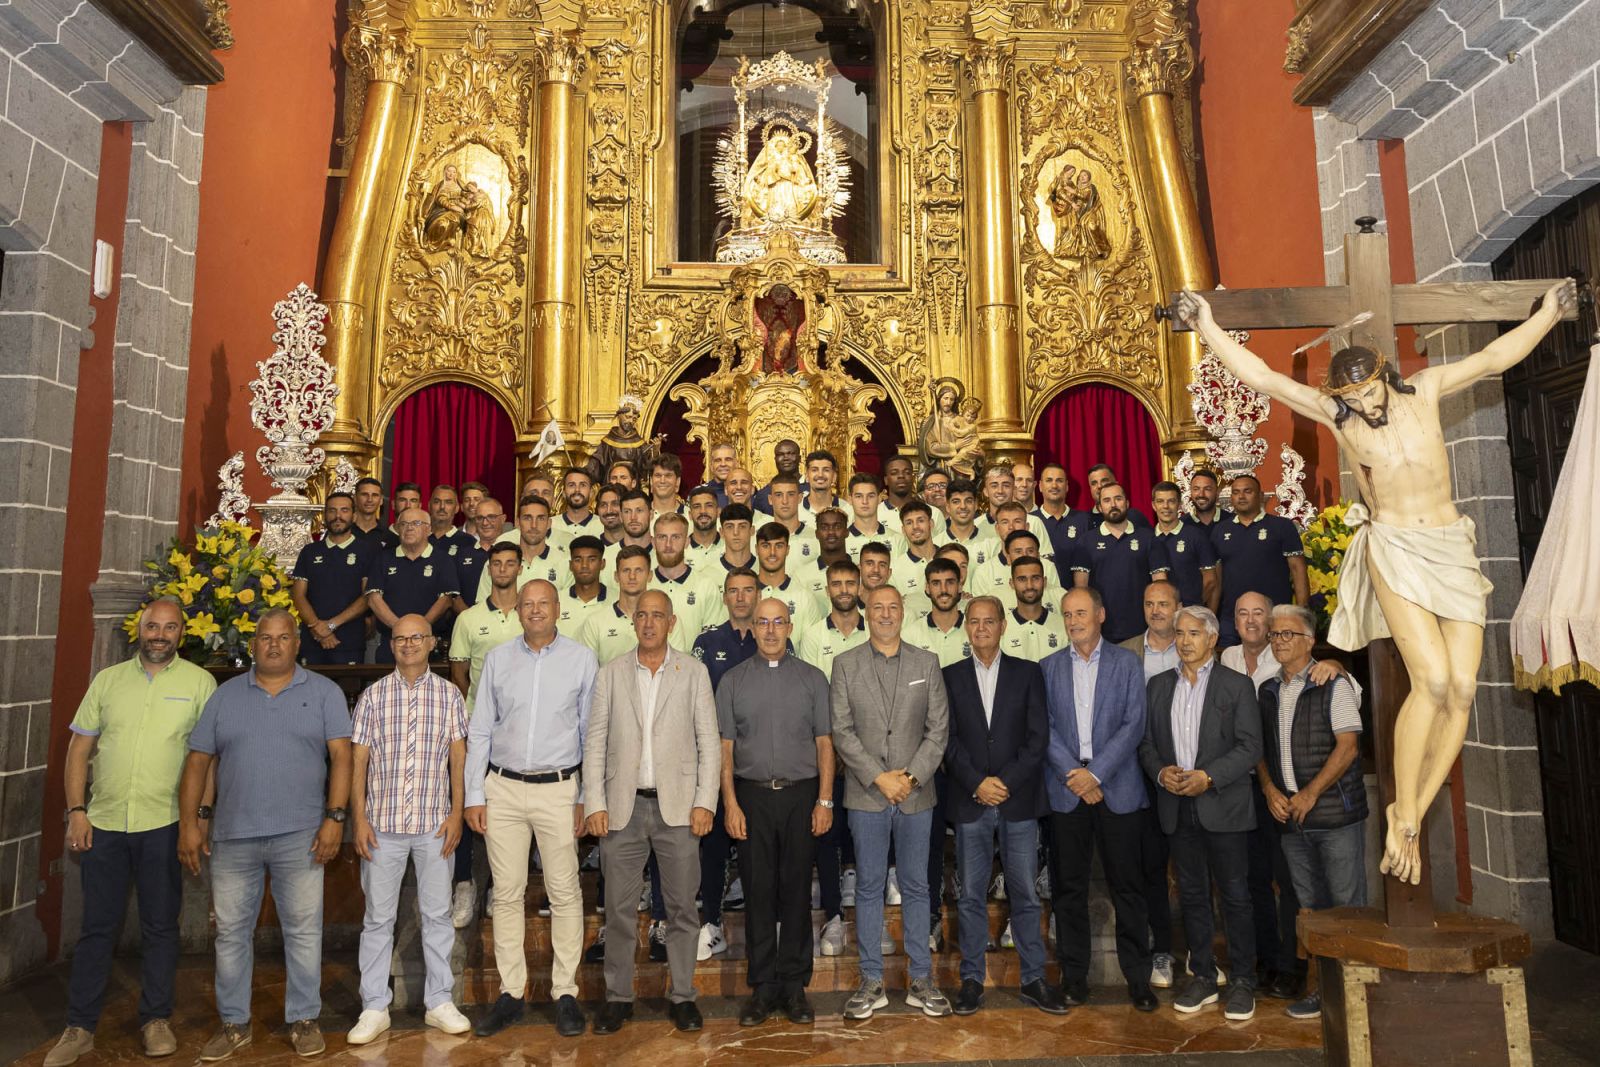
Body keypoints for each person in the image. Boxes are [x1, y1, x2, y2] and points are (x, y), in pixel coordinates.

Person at [46, 600, 216, 1067]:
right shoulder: (108, 680)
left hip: (165, 823)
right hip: (104, 823)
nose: (159, 634)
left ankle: (156, 1020)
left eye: (169, 627)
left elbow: (207, 759)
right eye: (152, 626)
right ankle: (80, 1027)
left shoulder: (200, 683)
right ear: (139, 630)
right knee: (97, 928)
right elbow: (79, 749)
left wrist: (198, 820)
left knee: (160, 927)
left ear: (182, 633)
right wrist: (76, 811)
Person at [178, 609, 351, 1060]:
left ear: (297, 644)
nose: (274, 645)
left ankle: (304, 1019)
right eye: (265, 638)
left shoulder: (325, 693)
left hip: (302, 835)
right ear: (253, 645)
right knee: (231, 934)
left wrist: (335, 818)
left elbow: (342, 757)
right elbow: (199, 761)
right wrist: (191, 823)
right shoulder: (225, 696)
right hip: (234, 835)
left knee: (303, 932)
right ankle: (234, 1024)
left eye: (283, 637)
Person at [583, 591, 720, 1035]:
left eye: (657, 616)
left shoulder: (694, 672)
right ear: (633, 621)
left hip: (678, 808)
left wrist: (705, 801)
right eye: (641, 615)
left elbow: (709, 742)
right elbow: (595, 743)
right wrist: (595, 802)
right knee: (619, 911)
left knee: (681, 910)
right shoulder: (611, 673)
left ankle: (683, 997)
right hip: (622, 810)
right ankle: (618, 998)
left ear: (671, 622)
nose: (648, 623)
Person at [465, 580, 595, 1039]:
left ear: (558, 609)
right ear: (517, 610)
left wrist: (587, 796)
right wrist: (474, 795)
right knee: (506, 893)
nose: (535, 610)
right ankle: (511, 993)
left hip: (559, 789)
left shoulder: (582, 659)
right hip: (502, 788)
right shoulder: (498, 659)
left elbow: (590, 733)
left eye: (543, 603)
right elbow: (481, 729)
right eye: (527, 604)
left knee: (565, 891)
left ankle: (565, 992)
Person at [346, 615, 471, 1044]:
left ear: (432, 643)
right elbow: (358, 762)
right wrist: (359, 819)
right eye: (400, 638)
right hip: (381, 827)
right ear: (391, 645)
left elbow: (458, 757)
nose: (408, 644)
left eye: (417, 637)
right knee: (378, 919)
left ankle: (439, 1001)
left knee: (437, 916)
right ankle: (373, 1006)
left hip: (435, 825)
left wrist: (456, 814)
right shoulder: (373, 696)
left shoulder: (449, 695)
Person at [831, 585, 952, 1020]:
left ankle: (921, 980)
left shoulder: (926, 663)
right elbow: (842, 730)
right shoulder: (845, 664)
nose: (885, 614)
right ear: (867, 612)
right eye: (878, 607)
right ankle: (871, 981)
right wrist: (880, 778)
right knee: (868, 886)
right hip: (867, 794)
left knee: (918, 886)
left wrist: (910, 777)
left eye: (893, 607)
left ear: (903, 612)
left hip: (917, 795)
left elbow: (938, 730)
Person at [1139, 605, 1262, 1022]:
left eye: (1194, 633)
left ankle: (1243, 980)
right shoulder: (1158, 686)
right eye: (1180, 633)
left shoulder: (1236, 685)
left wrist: (1208, 777)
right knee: (1191, 895)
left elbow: (1250, 746)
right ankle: (1204, 976)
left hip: (1223, 806)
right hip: (1177, 806)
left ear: (1212, 639)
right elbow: (1146, 743)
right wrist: (1161, 773)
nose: (1185, 641)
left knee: (1235, 896)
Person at [943, 597, 1062, 1017]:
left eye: (988, 621)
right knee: (971, 895)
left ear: (1002, 626)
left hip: (1018, 800)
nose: (981, 628)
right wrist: (977, 782)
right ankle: (972, 980)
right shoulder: (950, 676)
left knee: (1025, 894)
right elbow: (946, 739)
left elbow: (1037, 737)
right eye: (974, 622)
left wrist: (1005, 782)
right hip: (971, 799)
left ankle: (1033, 979)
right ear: (967, 628)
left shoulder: (1028, 673)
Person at [718, 598, 836, 1026]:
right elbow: (724, 749)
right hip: (751, 798)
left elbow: (825, 743)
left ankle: (794, 985)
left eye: (778, 622)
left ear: (790, 627)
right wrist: (730, 804)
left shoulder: (812, 678)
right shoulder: (732, 681)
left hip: (801, 796)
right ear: (752, 627)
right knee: (758, 892)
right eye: (763, 622)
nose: (770, 630)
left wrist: (824, 800)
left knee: (797, 891)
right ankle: (764, 986)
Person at [1042, 587, 1158, 1011]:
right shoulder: (1048, 667)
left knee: (1128, 888)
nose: (1073, 621)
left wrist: (1096, 774)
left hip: (1117, 788)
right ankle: (1074, 979)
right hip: (1067, 790)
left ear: (1101, 615)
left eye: (1081, 613)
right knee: (1068, 890)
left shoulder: (1127, 664)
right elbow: (1044, 727)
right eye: (1067, 614)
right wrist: (1076, 775)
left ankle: (1138, 980)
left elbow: (1134, 724)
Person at [1258, 604, 1368, 1022]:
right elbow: (1260, 750)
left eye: (1289, 634)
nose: (1280, 641)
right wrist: (1270, 789)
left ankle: (1356, 997)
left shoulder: (1332, 683)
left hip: (1334, 817)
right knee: (1310, 912)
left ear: (1310, 641)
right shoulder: (1268, 690)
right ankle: (1322, 991)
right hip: (1291, 820)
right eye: (1274, 634)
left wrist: (1310, 793)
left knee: (1346, 909)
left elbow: (1348, 747)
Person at [447, 542, 524, 928]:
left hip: (519, 729)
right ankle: (464, 882)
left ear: (520, 568)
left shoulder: (530, 615)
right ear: (489, 569)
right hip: (478, 728)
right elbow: (459, 671)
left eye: (510, 563)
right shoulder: (469, 618)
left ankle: (498, 884)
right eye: (497, 563)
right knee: (465, 800)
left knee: (508, 809)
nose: (503, 569)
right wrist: (476, 710)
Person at [793, 559, 865, 957]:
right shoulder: (812, 635)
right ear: (827, 588)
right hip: (827, 749)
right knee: (826, 831)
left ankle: (867, 910)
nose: (843, 589)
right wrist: (833, 746)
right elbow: (811, 695)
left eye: (849, 582)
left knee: (865, 830)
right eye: (836, 583)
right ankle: (834, 915)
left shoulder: (874, 630)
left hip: (870, 750)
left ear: (859, 586)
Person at [691, 568, 764, 960]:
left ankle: (762, 927)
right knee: (714, 846)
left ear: (758, 595)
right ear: (724, 597)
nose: (740, 597)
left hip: (760, 762)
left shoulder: (771, 638)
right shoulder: (707, 642)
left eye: (747, 590)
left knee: (758, 848)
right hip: (716, 760)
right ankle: (712, 924)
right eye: (733, 591)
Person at [1117, 580, 1182, 990]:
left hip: (1187, 773)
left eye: (1163, 603)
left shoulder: (1194, 645)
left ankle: (1193, 953)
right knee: (1147, 869)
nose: (1156, 610)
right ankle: (1156, 950)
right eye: (1149, 603)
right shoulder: (1124, 652)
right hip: (1136, 775)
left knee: (1192, 870)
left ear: (1178, 607)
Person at [1209, 474, 1308, 639]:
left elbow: (1298, 569)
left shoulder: (1282, 526)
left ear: (1261, 496)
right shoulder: (1220, 530)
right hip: (1232, 619)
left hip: (1275, 617)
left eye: (1247, 491)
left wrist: (1302, 610)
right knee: (1229, 656)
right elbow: (1216, 580)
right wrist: (1211, 616)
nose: (1241, 496)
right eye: (1236, 492)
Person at [1072, 482, 1171, 642]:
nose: (1113, 504)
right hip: (1101, 633)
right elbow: (1081, 590)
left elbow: (1161, 586)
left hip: (1142, 631)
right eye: (1107, 500)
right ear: (1099, 507)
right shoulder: (1086, 541)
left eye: (1118, 499)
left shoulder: (1148, 538)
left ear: (1127, 503)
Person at [366, 506, 460, 661]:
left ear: (428, 529)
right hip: (392, 643)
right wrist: (401, 630)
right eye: (403, 524)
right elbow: (373, 599)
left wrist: (418, 630)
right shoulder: (383, 559)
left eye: (416, 523)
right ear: (398, 529)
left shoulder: (443, 560)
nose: (409, 528)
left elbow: (446, 600)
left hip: (428, 643)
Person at [291, 492, 373, 664]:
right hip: (312, 641)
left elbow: (368, 596)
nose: (338, 516)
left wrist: (330, 625)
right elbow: (298, 595)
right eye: (332, 511)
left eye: (344, 510)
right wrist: (317, 627)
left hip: (349, 642)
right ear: (324, 516)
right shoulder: (309, 551)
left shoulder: (368, 551)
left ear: (354, 516)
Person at [648, 512, 719, 649]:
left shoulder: (706, 586)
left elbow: (712, 640)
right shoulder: (643, 586)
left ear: (687, 542)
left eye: (675, 537)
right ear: (653, 543)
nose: (668, 544)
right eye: (662, 537)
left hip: (693, 662)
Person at [480, 494, 569, 602]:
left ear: (549, 523)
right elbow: (484, 606)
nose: (534, 525)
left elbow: (568, 608)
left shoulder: (565, 563)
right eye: (527, 518)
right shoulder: (496, 563)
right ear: (517, 523)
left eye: (540, 518)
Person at [1150, 480, 1219, 612]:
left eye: (1171, 501)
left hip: (1192, 613)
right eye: (1160, 501)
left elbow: (1210, 579)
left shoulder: (1196, 535)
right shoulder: (1148, 538)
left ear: (1180, 504)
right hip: (1159, 614)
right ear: (1153, 505)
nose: (1166, 506)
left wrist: (1194, 607)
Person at [579, 545, 653, 664]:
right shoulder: (595, 622)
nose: (632, 576)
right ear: (616, 576)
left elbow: (675, 665)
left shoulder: (664, 619)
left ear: (650, 575)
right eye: (626, 570)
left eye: (638, 570)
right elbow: (587, 670)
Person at [998, 557, 1068, 661]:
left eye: (1035, 578)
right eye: (1022, 579)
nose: (1029, 585)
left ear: (1044, 582)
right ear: (1012, 583)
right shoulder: (1001, 629)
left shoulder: (1064, 625)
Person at [754, 521, 818, 630]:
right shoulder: (745, 596)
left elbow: (811, 639)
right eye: (766, 546)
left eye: (779, 546)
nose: (772, 552)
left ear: (787, 550)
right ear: (756, 549)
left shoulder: (804, 598)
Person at [455, 496, 508, 606]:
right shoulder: (460, 554)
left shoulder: (513, 553)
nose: (485, 523)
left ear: (503, 519)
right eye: (480, 518)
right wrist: (469, 615)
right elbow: (454, 596)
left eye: (491, 517)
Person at [557, 535, 612, 633]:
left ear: (602, 564)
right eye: (578, 560)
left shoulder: (617, 600)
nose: (584, 566)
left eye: (592, 560)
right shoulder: (557, 600)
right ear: (570, 565)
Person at [889, 500, 939, 602]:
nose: (915, 527)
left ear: (931, 524)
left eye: (920, 521)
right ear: (903, 530)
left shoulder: (949, 558)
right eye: (909, 523)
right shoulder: (894, 570)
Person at [549, 466, 601, 551]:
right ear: (564, 492)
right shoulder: (550, 525)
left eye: (583, 485)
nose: (577, 490)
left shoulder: (602, 526)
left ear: (591, 492)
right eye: (571, 485)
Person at [750, 438, 803, 514]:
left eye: (790, 453)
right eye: (780, 454)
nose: (786, 458)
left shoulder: (812, 489)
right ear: (775, 459)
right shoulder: (763, 494)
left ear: (799, 458)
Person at [427, 484, 474, 557]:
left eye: (448, 502)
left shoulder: (469, 542)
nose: (442, 507)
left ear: (457, 508)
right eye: (437, 501)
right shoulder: (417, 538)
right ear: (429, 506)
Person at [685, 485, 724, 567]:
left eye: (709, 505)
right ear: (690, 514)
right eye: (697, 506)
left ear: (718, 511)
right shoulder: (680, 550)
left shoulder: (729, 547)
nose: (703, 511)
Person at [801, 449, 844, 517]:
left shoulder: (848, 511)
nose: (820, 475)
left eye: (826, 470)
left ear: (834, 476)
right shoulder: (795, 511)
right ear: (807, 476)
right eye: (814, 470)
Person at [648, 453, 686, 519]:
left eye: (668, 476)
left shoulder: (691, 517)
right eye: (658, 475)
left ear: (677, 482)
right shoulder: (640, 517)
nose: (662, 481)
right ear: (651, 481)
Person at [351, 476, 387, 542]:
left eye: (374, 495)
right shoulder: (343, 532)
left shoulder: (388, 536)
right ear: (355, 498)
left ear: (381, 500)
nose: (369, 499)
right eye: (364, 494)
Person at [704, 442, 737, 506]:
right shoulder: (698, 493)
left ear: (736, 464)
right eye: (718, 460)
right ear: (711, 466)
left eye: (728, 459)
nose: (723, 464)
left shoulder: (748, 492)